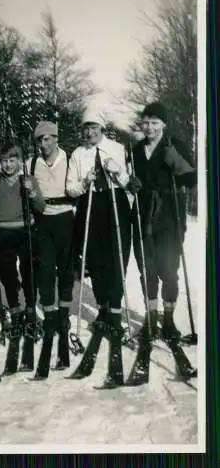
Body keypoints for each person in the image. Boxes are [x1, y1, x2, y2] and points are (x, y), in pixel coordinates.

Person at [66, 106, 141, 387]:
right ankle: (102, 307)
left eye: (94, 128)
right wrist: (84, 182)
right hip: (90, 205)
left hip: (115, 204)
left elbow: (127, 182)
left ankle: (114, 309)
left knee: (116, 256)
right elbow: (70, 188)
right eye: (86, 128)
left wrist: (116, 171)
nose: (90, 133)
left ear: (102, 128)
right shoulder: (77, 154)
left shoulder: (117, 148)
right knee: (95, 260)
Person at [131, 102, 197, 342]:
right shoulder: (136, 149)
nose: (149, 127)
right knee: (146, 270)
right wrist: (132, 184)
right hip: (143, 216)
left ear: (164, 124)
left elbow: (191, 180)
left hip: (171, 217)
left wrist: (176, 162)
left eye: (154, 122)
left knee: (169, 270)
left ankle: (168, 321)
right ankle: (151, 319)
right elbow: (133, 180)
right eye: (146, 122)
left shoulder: (174, 145)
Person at [0, 142, 45, 338]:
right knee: (7, 273)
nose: (8, 165)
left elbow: (40, 207)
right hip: (3, 233)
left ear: (19, 161)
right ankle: (15, 309)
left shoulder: (28, 179)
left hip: (25, 232)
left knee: (29, 272)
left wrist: (32, 192)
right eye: (4, 161)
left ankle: (30, 309)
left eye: (12, 160)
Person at [29, 120, 75, 377]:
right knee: (45, 270)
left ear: (56, 139)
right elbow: (32, 193)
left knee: (66, 271)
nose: (43, 144)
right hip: (44, 220)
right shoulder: (32, 162)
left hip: (66, 217)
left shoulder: (70, 159)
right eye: (39, 140)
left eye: (47, 139)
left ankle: (64, 315)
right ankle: (49, 316)